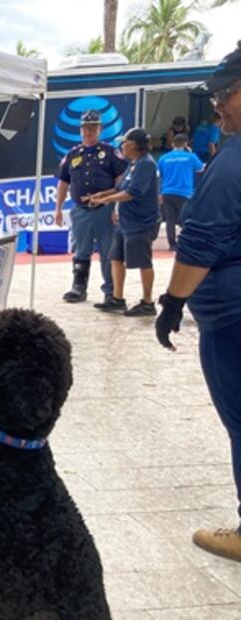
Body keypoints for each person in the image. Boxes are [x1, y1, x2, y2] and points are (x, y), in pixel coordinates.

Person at [155, 41, 241, 562]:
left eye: (224, 95)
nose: (218, 106)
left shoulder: (233, 162)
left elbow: (202, 241)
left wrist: (171, 301)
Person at [54, 109, 129, 303]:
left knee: (109, 250)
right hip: (80, 211)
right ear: (80, 130)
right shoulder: (72, 154)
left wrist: (115, 206)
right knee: (81, 250)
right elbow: (63, 182)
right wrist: (58, 209)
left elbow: (121, 181)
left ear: (100, 129)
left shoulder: (111, 153)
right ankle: (79, 287)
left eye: (93, 128)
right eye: (85, 128)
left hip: (105, 209)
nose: (88, 132)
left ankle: (111, 290)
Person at [88, 127, 160, 316]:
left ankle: (147, 302)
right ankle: (117, 299)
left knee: (143, 262)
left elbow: (133, 193)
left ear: (134, 144)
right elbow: (120, 187)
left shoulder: (146, 164)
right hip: (125, 221)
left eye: (125, 142)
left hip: (141, 223)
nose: (122, 145)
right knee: (116, 258)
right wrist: (103, 194)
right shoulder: (134, 163)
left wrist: (106, 200)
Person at [157, 133, 204, 250]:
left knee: (170, 219)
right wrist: (190, 152)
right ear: (185, 144)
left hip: (167, 192)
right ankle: (185, 242)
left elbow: (158, 175)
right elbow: (201, 168)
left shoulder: (163, 158)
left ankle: (172, 244)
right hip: (185, 193)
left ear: (172, 144)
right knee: (186, 219)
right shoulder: (190, 157)